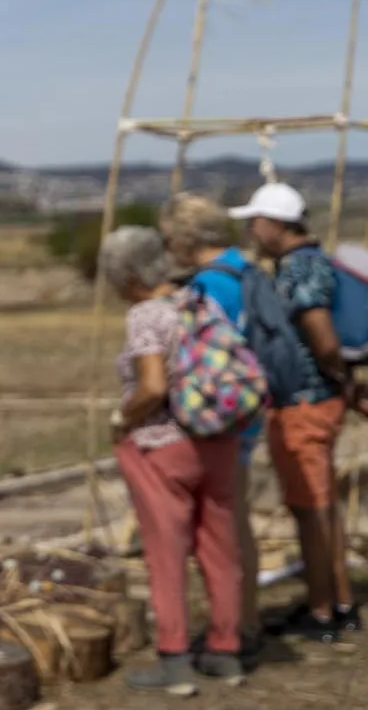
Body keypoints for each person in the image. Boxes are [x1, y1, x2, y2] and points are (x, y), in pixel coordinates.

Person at [100, 226, 242, 695]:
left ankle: (174, 658)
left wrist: (122, 418)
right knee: (220, 549)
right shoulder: (200, 302)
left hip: (162, 445)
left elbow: (153, 386)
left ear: (128, 276)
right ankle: (225, 651)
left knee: (166, 553)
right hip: (218, 438)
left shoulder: (146, 314)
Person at [229, 182, 360, 642]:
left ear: (277, 224)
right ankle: (339, 599)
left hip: (303, 401)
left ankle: (322, 611)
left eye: (256, 221)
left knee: (311, 508)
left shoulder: (298, 270)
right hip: (317, 398)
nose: (251, 230)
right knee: (323, 505)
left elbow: (319, 331)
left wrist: (339, 377)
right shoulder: (313, 262)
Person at [159, 192, 263, 659]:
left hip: (221, 418)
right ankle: (245, 619)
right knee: (237, 519)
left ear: (186, 237)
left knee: (227, 528)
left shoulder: (208, 285)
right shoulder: (244, 269)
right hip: (248, 407)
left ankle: (237, 627)